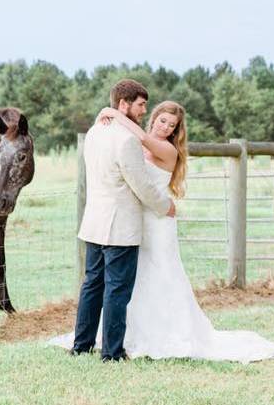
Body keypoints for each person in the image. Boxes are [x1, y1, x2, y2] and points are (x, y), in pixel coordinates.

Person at [50, 98, 274, 364]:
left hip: (158, 219)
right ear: (154, 118)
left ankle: (165, 333)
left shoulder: (164, 149)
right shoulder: (130, 141)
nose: (164, 128)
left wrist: (112, 112)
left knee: (160, 274)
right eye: (162, 121)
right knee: (130, 282)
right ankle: (124, 335)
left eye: (171, 126)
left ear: (175, 131)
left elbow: (139, 142)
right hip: (132, 220)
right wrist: (108, 116)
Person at [65, 79, 175, 362]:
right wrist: (165, 206)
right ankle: (112, 352)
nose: (142, 111)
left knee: (92, 284)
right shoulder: (126, 141)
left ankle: (82, 344)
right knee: (117, 289)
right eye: (140, 105)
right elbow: (141, 186)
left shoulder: (94, 132)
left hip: (95, 221)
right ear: (123, 104)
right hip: (120, 226)